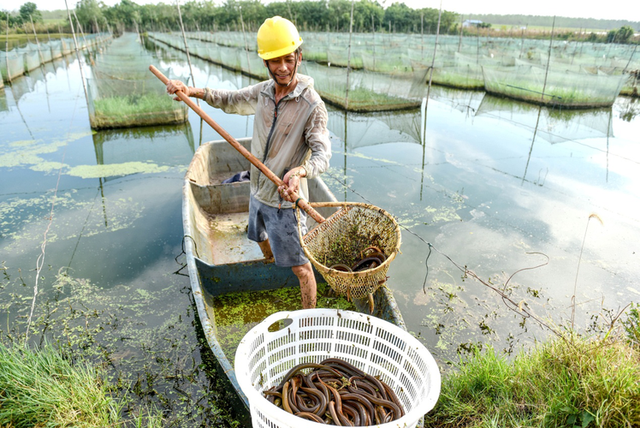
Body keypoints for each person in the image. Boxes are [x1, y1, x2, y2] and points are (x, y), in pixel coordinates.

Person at [166, 16, 331, 309]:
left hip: (284, 201)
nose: (283, 67)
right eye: (275, 61)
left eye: (288, 59)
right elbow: (229, 98)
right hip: (256, 189)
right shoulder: (264, 92)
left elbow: (322, 153)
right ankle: (269, 262)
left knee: (301, 268)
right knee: (257, 235)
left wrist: (301, 170)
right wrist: (193, 92)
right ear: (265, 63)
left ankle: (309, 318)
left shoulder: (311, 106)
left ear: (299, 57)